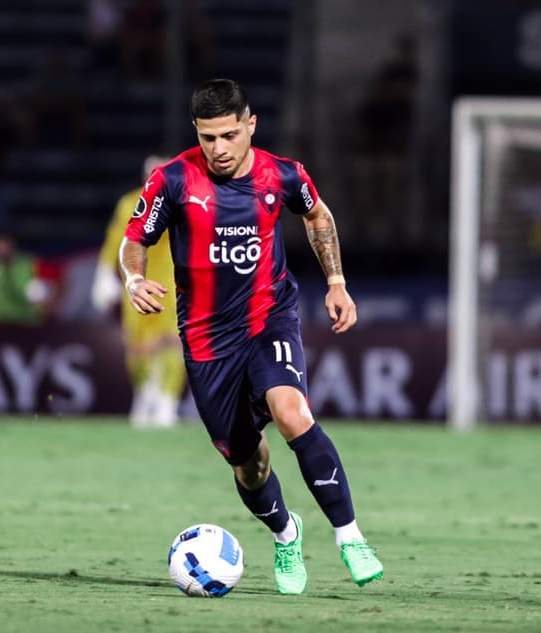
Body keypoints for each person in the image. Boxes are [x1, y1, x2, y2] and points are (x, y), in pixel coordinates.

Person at [119, 78, 383, 593]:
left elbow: (317, 214)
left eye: (228, 135)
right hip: (205, 341)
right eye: (207, 137)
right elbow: (134, 240)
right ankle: (287, 535)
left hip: (268, 318)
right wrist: (133, 277)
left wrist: (336, 282)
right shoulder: (172, 181)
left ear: (250, 125)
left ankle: (349, 535)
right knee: (249, 463)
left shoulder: (281, 174)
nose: (218, 149)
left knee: (292, 411)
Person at [91, 155, 186, 428]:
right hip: (136, 283)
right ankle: (145, 391)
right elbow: (115, 242)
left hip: (172, 284)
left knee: (172, 342)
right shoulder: (128, 204)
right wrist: (103, 275)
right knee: (137, 348)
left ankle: (168, 401)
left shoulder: (182, 202)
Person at [0, 233, 51, 326]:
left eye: (5, 243)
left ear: (12, 245)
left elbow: (54, 287)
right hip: (0, 326)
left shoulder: (32, 264)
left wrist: (47, 304)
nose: (2, 249)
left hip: (30, 324)